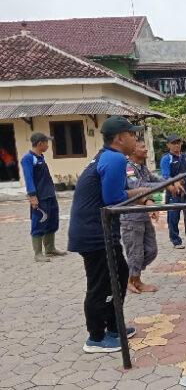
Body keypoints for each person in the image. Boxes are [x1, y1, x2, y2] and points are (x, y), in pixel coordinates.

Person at [68, 116, 150, 353]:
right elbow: (113, 199)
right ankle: (96, 337)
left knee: (119, 273)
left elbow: (114, 194)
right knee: (100, 284)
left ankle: (115, 328)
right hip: (94, 234)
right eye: (132, 134)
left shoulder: (108, 156)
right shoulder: (114, 158)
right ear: (119, 138)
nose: (135, 137)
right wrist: (142, 192)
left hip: (98, 231)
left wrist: (140, 192)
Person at [121, 139, 184, 293]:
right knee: (135, 251)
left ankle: (130, 275)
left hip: (143, 214)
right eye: (142, 147)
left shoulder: (142, 167)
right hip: (131, 217)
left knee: (151, 250)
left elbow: (156, 179)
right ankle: (133, 280)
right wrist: (167, 186)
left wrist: (171, 182)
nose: (146, 149)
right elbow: (139, 187)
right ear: (134, 150)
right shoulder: (129, 168)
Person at [20, 133, 65, 262]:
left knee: (51, 221)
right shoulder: (28, 159)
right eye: (46, 143)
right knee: (39, 222)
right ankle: (38, 253)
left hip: (49, 195)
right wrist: (32, 196)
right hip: (40, 197)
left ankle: (50, 248)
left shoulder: (41, 157)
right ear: (40, 144)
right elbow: (29, 179)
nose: (48, 145)